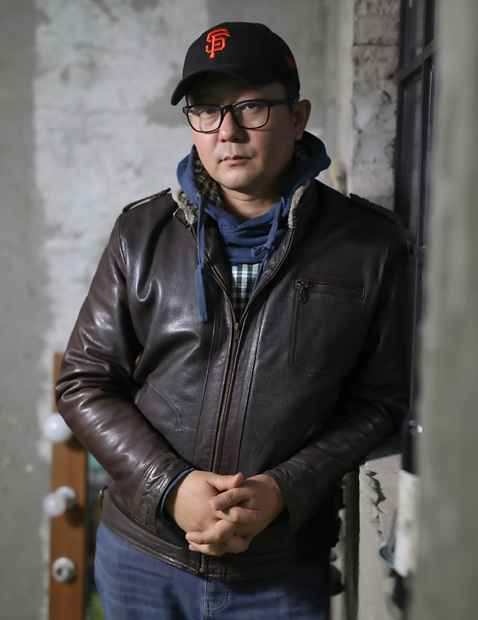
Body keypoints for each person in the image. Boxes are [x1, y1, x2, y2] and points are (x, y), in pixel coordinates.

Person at [56, 21, 410, 620]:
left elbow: (383, 401)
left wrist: (285, 488)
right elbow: (83, 381)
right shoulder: (141, 234)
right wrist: (170, 486)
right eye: (207, 110)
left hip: (280, 569)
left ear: (298, 116)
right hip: (142, 558)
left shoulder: (370, 245)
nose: (228, 131)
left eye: (251, 107)